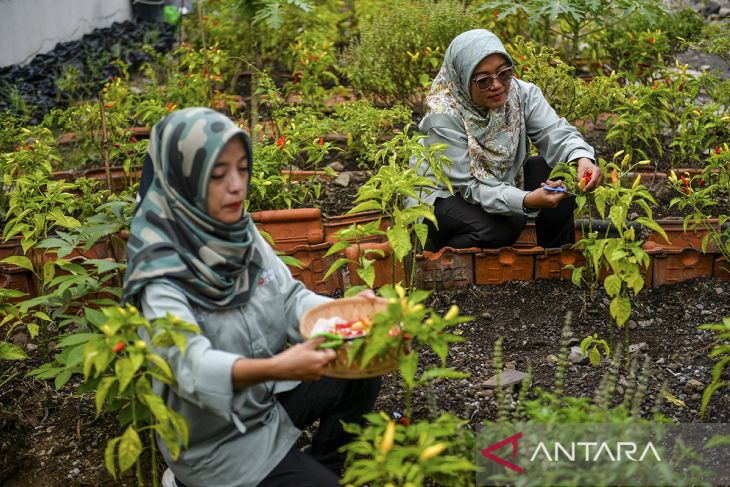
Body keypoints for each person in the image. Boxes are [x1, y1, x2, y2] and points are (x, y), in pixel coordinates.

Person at [122, 107, 381, 487]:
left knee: (361, 360)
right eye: (217, 173)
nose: (236, 185)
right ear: (181, 180)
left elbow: (289, 298)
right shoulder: (159, 274)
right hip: (216, 444)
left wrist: (350, 314)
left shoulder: (235, 232)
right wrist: (280, 367)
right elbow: (190, 368)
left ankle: (323, 467)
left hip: (260, 401)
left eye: (242, 168)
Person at [412, 29, 603, 251]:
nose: (497, 85)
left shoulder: (522, 95)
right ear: (462, 78)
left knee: (562, 170)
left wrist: (582, 159)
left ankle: (555, 259)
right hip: (445, 196)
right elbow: (470, 186)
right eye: (483, 80)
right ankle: (437, 253)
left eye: (504, 73)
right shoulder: (444, 116)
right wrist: (526, 200)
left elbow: (555, 132)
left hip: (497, 183)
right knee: (504, 227)